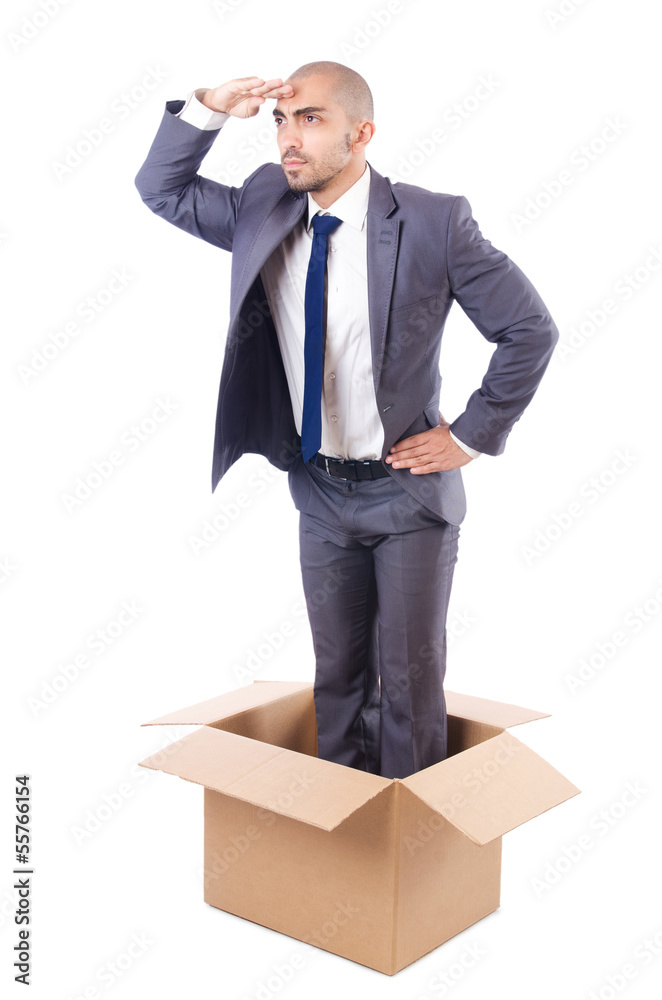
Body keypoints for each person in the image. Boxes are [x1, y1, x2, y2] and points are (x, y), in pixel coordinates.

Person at [135, 61, 558, 780]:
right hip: (320, 493)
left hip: (407, 495)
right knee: (336, 681)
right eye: (279, 120)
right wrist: (210, 107)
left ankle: (407, 852)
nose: (287, 140)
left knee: (408, 687)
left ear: (361, 133)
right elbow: (162, 189)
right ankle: (341, 842)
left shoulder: (432, 221)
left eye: (310, 119)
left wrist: (468, 436)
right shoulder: (265, 203)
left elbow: (529, 330)